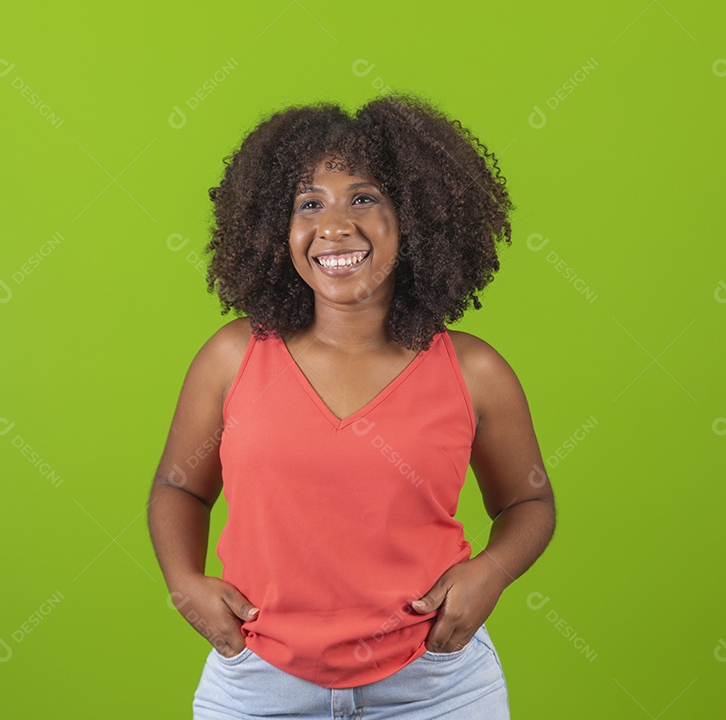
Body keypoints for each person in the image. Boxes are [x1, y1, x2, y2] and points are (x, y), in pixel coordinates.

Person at [148, 92, 556, 719]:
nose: (333, 225)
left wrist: (492, 572)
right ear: (273, 228)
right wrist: (184, 583)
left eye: (363, 198)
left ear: (416, 216)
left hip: (436, 686)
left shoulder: (473, 370)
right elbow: (179, 488)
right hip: (261, 686)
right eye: (308, 203)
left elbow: (528, 502)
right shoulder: (233, 357)